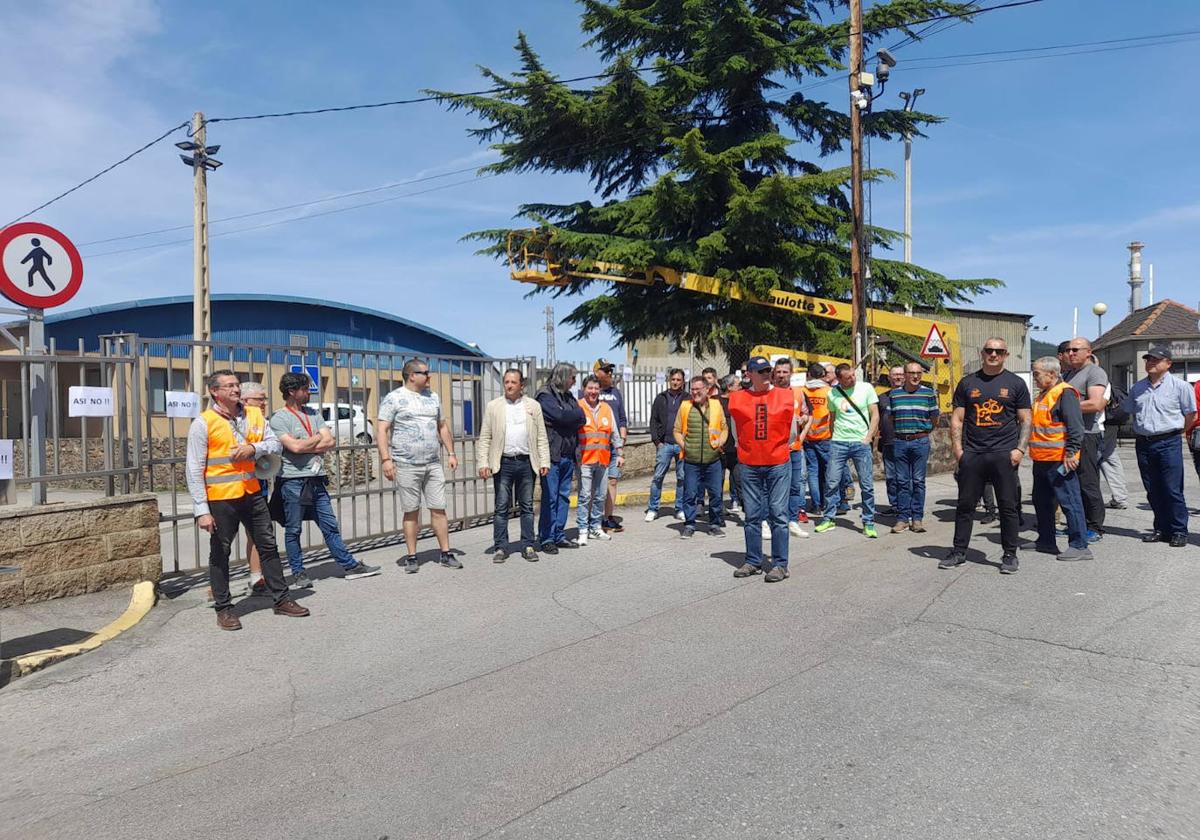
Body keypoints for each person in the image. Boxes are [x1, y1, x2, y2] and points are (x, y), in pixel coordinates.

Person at [186, 370, 309, 630]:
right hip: (221, 499)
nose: (235, 389)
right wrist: (201, 510)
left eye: (237, 385)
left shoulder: (254, 415)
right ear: (215, 392)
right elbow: (194, 469)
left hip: (252, 493)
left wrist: (254, 449)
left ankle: (282, 599)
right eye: (229, 386)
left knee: (268, 545)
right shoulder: (203, 423)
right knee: (220, 553)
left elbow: (275, 445)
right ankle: (224, 608)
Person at [271, 372, 381, 587]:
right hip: (293, 481)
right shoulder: (279, 418)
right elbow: (294, 447)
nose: (309, 393)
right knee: (294, 529)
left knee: (330, 525)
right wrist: (315, 439)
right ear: (292, 391)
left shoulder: (313, 413)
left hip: (317, 479)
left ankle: (350, 566)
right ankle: (299, 572)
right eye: (305, 389)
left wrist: (306, 443)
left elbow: (329, 441)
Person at [940, 338, 1032, 574]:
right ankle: (959, 551)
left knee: (1008, 506)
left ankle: (1010, 554)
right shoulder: (968, 383)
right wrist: (958, 451)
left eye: (998, 351)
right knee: (965, 505)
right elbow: (958, 418)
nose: (993, 354)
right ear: (982, 353)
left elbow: (1025, 420)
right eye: (989, 350)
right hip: (973, 454)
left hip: (1004, 454)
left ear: (1006, 354)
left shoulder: (1016, 383)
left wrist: (1020, 449)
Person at [376, 358, 461, 574]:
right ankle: (412, 556)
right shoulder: (394, 398)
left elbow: (442, 426)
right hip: (406, 465)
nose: (429, 376)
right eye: (425, 372)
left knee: (439, 509)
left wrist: (451, 453)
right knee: (411, 511)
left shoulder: (433, 397)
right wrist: (386, 459)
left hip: (432, 464)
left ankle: (445, 552)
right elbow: (382, 430)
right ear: (411, 375)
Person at [727, 356, 796, 582]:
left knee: (778, 513)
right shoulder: (737, 399)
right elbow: (736, 432)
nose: (767, 374)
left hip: (777, 462)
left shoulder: (785, 396)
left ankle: (780, 564)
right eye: (762, 371)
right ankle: (753, 561)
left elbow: (792, 432)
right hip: (749, 463)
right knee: (752, 515)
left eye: (769, 370)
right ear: (750, 375)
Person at [1122, 346, 1196, 547]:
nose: (1150, 362)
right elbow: (1128, 410)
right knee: (1152, 489)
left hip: (1168, 442)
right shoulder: (1138, 388)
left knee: (1172, 489)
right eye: (1148, 359)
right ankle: (1161, 528)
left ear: (1168, 363)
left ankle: (1179, 530)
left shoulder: (1181, 387)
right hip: (1144, 443)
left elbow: (1191, 415)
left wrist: (1178, 432)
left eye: (1156, 359)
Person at [477, 369, 551, 563]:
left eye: (513, 382)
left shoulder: (533, 406)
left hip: (527, 462)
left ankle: (527, 544)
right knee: (501, 507)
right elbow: (485, 437)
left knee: (527, 506)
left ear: (521, 385)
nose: (509, 385)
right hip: (503, 463)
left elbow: (541, 436)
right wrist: (483, 462)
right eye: (506, 382)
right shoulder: (494, 406)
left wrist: (544, 461)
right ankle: (501, 547)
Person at [1026, 357, 1091, 560]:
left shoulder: (1065, 393)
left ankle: (1080, 546)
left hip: (1059, 459)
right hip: (1042, 459)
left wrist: (1072, 453)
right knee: (1042, 501)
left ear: (1052, 374)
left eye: (1037, 374)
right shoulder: (1042, 395)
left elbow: (1075, 426)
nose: (1034, 378)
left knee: (1070, 502)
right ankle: (1046, 540)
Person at [814, 364, 879, 537]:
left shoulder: (866, 388)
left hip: (860, 443)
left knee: (866, 484)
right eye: (848, 377)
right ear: (839, 379)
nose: (853, 378)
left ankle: (868, 521)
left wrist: (868, 438)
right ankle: (828, 518)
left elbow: (875, 414)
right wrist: (833, 438)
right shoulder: (832, 393)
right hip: (838, 443)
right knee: (832, 482)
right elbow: (832, 418)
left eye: (853, 375)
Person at [535, 363, 586, 553]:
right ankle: (546, 537)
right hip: (551, 455)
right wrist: (569, 417)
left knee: (564, 497)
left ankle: (559, 534)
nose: (574, 382)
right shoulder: (545, 395)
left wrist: (569, 417)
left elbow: (582, 417)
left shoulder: (569, 397)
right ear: (564, 377)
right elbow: (559, 416)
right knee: (550, 497)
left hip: (568, 454)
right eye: (572, 378)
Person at [1062, 338, 1107, 542]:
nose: (1070, 353)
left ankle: (1095, 527)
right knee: (1072, 484)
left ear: (1088, 352)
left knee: (1088, 483)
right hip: (1069, 435)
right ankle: (1077, 524)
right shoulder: (1069, 373)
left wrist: (1062, 408)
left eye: (1075, 349)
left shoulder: (1095, 372)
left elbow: (1096, 403)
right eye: (1068, 350)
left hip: (1087, 434)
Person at [673, 375, 729, 538]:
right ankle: (689, 525)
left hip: (713, 460)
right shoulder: (685, 406)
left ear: (707, 390)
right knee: (690, 494)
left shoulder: (716, 405)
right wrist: (685, 446)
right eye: (693, 389)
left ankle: (714, 524)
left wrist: (720, 442)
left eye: (698, 389)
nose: (695, 392)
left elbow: (724, 428)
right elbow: (676, 430)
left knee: (715, 494)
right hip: (691, 460)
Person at [888, 362, 939, 533]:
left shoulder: (928, 393)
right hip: (900, 441)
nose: (915, 376)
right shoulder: (894, 394)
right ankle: (902, 518)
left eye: (919, 373)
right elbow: (890, 418)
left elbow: (934, 418)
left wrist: (923, 432)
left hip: (920, 441)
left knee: (918, 481)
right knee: (901, 481)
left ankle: (917, 518)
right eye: (912, 373)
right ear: (905, 374)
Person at [576, 374, 624, 546]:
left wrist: (619, 452)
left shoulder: (606, 409)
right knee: (585, 495)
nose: (593, 391)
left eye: (596, 388)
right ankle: (582, 529)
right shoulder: (578, 406)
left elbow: (614, 433)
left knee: (601, 495)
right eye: (590, 388)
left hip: (603, 459)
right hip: (585, 460)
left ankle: (596, 527)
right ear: (584, 390)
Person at [773, 358, 810, 537]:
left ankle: (793, 520)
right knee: (772, 488)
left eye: (784, 372)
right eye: (778, 372)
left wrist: (802, 420)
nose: (781, 375)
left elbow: (805, 414)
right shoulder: (768, 392)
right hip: (773, 449)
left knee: (795, 486)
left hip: (793, 448)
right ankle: (772, 521)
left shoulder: (798, 393)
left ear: (791, 373)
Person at [239, 381, 269, 593]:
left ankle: (257, 576)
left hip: (258, 483)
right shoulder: (235, 422)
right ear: (245, 400)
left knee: (257, 533)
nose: (264, 403)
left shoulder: (263, 421)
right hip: (231, 487)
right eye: (260, 399)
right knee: (223, 538)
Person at [645, 369, 687, 522]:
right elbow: (653, 420)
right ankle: (653, 508)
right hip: (665, 444)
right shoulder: (661, 398)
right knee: (658, 477)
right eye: (673, 379)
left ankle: (680, 508)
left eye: (679, 379)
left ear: (683, 381)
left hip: (682, 445)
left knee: (682, 478)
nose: (675, 382)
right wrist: (657, 441)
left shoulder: (688, 399)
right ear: (670, 380)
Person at [594, 359, 628, 533]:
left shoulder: (616, 393)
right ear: (596, 373)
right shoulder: (591, 391)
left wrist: (621, 440)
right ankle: (595, 518)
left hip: (614, 447)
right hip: (597, 447)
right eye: (605, 371)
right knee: (596, 484)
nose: (609, 374)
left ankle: (608, 518)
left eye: (610, 371)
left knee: (612, 481)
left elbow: (622, 418)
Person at [800, 363, 835, 516]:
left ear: (808, 374)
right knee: (829, 471)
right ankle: (830, 503)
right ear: (822, 375)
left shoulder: (802, 390)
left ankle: (816, 505)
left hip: (807, 435)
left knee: (812, 472)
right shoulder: (828, 391)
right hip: (825, 436)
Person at [876, 365, 905, 515]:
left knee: (907, 477)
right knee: (891, 476)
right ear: (889, 378)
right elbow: (876, 418)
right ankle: (895, 506)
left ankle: (907, 506)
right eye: (895, 375)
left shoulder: (910, 395)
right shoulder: (882, 398)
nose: (898, 377)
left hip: (906, 442)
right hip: (888, 442)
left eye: (901, 374)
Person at [717, 374, 743, 513]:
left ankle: (745, 506)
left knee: (740, 480)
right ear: (729, 387)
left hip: (737, 449)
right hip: (720, 449)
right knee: (718, 481)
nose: (740, 387)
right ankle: (718, 510)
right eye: (737, 385)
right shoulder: (716, 402)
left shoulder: (741, 401)